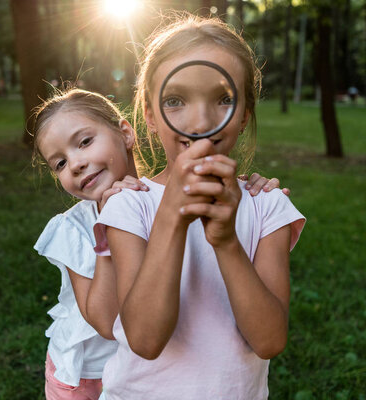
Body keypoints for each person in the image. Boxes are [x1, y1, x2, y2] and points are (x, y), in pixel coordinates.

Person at [94, 14, 306, 399]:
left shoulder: (268, 206)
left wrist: (226, 241)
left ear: (244, 116)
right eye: (175, 101)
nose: (200, 122)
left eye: (223, 99)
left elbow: (270, 341)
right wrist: (171, 216)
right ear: (150, 116)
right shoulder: (130, 206)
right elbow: (144, 339)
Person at [32, 88, 284, 400]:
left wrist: (245, 189)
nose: (76, 164)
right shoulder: (71, 229)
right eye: (59, 163)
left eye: (84, 142)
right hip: (82, 377)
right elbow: (106, 323)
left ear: (125, 133)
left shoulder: (162, 201)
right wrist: (108, 228)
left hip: (144, 373)